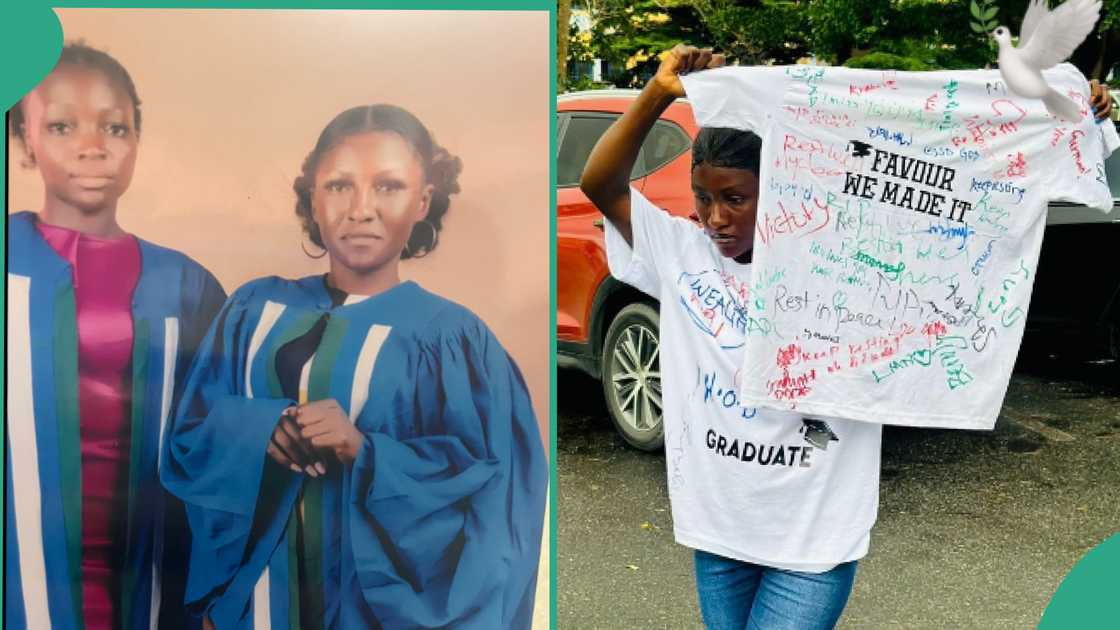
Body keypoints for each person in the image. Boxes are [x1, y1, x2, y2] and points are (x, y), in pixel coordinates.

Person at [581, 45, 1113, 629]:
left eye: (735, 198)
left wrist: (1064, 112)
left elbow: (950, 175)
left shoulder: (847, 256)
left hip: (814, 538)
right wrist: (657, 92)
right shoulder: (680, 255)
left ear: (780, 186)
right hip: (719, 529)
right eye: (703, 198)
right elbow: (599, 182)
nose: (715, 218)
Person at [161, 104, 548, 629]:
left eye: (388, 186)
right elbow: (190, 438)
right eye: (339, 186)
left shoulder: (452, 338)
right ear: (313, 199)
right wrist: (261, 429)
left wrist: (364, 452)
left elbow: (494, 494)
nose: (361, 208)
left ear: (422, 202)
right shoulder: (253, 310)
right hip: (254, 608)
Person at [6, 42, 226, 629]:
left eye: (115, 127)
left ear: (135, 142)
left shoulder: (187, 286)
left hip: (149, 578)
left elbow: (216, 448)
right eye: (60, 125)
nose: (92, 146)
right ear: (25, 140)